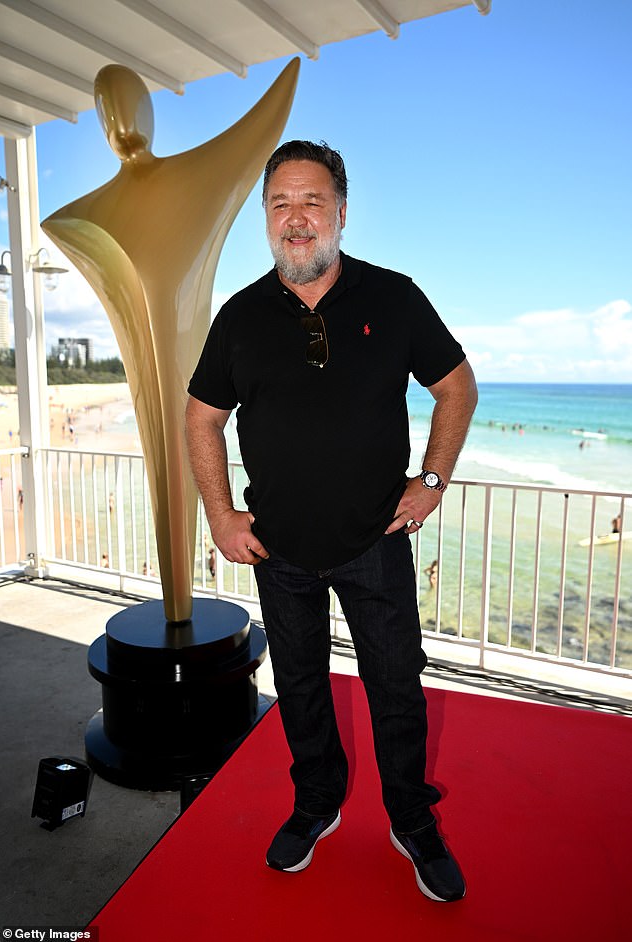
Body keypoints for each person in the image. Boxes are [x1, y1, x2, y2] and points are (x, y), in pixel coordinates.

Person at [185, 141, 478, 903]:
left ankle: (411, 819)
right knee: (302, 688)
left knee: (396, 690)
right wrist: (220, 514)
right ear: (267, 219)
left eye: (312, 201)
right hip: (278, 550)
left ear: (341, 211)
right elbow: (200, 418)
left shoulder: (394, 298)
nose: (297, 217)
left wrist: (432, 482)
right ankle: (317, 804)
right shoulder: (240, 316)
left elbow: (457, 389)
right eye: (281, 203)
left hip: (374, 545)